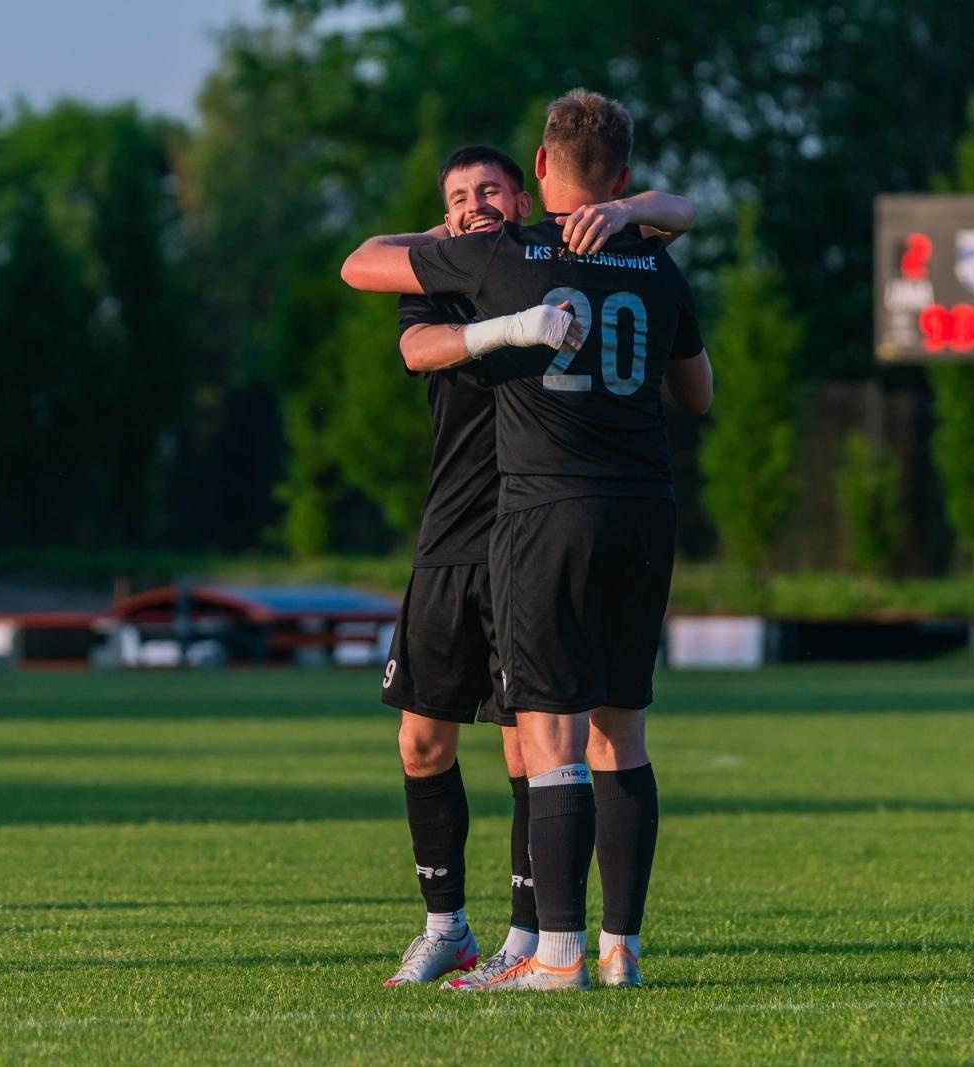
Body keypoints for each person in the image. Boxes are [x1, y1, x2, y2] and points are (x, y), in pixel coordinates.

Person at [342, 88, 713, 992]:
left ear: (537, 175)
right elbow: (698, 393)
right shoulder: (653, 264)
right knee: (618, 732)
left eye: (492, 187)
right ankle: (615, 948)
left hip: (546, 515)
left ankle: (551, 953)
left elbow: (359, 263)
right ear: (617, 177)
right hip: (638, 506)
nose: (475, 205)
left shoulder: (503, 256)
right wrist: (623, 223)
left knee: (548, 738)